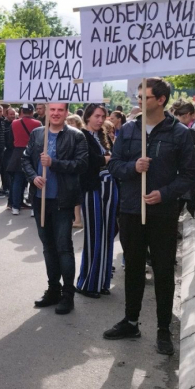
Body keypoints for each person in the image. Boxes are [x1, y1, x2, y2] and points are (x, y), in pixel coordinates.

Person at [103, 78, 195, 356]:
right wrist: (133, 166)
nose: (139, 101)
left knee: (164, 270)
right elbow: (115, 166)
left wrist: (164, 194)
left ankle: (163, 329)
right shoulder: (128, 129)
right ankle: (131, 321)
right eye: (138, 96)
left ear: (161, 100)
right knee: (133, 267)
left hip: (163, 214)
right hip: (131, 210)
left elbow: (189, 175)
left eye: (144, 97)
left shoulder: (179, 133)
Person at [22, 103, 89, 315]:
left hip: (63, 199)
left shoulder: (76, 136)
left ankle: (68, 294)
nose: (56, 113)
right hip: (40, 199)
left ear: (67, 112)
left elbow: (82, 164)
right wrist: (33, 177)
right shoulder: (37, 133)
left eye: (60, 110)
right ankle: (53, 289)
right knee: (48, 247)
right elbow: (25, 159)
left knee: (63, 247)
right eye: (52, 110)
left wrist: (54, 163)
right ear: (47, 111)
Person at [76, 104, 118, 298]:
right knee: (94, 235)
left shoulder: (104, 136)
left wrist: (107, 158)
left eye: (103, 116)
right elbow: (90, 161)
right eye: (97, 116)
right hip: (92, 189)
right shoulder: (81, 136)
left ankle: (101, 282)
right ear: (87, 117)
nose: (100, 120)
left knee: (107, 235)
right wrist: (106, 159)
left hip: (110, 187)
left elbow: (113, 158)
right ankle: (87, 284)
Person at [8, 104, 42, 214]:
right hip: (32, 153)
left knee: (17, 180)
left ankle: (15, 207)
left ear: (22, 111)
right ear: (32, 111)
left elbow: (10, 139)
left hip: (18, 152)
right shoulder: (38, 123)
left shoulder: (14, 123)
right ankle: (33, 208)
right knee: (34, 180)